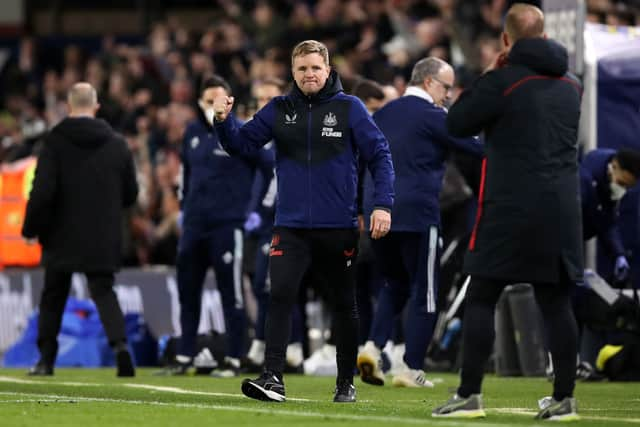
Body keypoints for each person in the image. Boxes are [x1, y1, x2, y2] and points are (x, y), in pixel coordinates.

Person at [213, 39, 395, 403]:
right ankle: (272, 377)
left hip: (338, 226)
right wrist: (222, 121)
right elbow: (242, 145)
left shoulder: (350, 108)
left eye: (315, 67)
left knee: (344, 304)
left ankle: (346, 382)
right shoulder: (279, 109)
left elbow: (380, 155)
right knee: (279, 295)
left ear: (327, 69)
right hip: (291, 226)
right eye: (301, 69)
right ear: (292, 74)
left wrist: (382, 205)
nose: (309, 74)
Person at [431, 4, 582, 421]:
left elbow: (457, 122)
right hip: (563, 208)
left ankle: (470, 395)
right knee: (555, 302)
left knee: (481, 295)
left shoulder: (502, 80)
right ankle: (565, 398)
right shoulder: (573, 82)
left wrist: (487, 77)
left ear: (505, 39)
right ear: (545, 33)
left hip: (510, 205)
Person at [358, 57, 484, 388]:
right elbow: (477, 147)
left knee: (394, 284)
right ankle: (411, 368)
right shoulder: (433, 116)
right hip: (418, 214)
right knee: (425, 291)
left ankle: (372, 348)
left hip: (379, 212)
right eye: (446, 86)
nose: (449, 94)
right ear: (428, 82)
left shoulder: (382, 114)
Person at [22, 82, 138, 377]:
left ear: (69, 107)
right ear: (96, 107)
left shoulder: (54, 141)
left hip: (61, 233)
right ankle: (120, 346)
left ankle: (46, 359)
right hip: (102, 233)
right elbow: (131, 194)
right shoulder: (117, 143)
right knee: (103, 290)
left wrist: (30, 228)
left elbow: (43, 191)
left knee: (54, 294)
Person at [160, 75, 274, 376]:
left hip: (229, 224)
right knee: (188, 291)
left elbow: (271, 171)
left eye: (218, 100)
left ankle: (235, 358)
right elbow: (185, 173)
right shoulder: (193, 133)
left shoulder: (244, 133)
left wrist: (258, 212)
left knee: (231, 293)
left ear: (230, 100)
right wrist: (184, 207)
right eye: (208, 100)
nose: (213, 106)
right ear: (200, 102)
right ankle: (185, 356)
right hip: (195, 225)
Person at [243, 77, 305, 374]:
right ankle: (267, 342)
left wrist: (264, 210)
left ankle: (290, 347)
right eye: (259, 100)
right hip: (261, 221)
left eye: (269, 98)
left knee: (278, 285)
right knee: (263, 284)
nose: (263, 105)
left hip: (284, 220)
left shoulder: (288, 133)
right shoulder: (260, 137)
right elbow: (259, 181)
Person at [581, 149, 640, 284]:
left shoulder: (609, 181)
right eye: (621, 183)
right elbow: (569, 224)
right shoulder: (585, 178)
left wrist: (619, 254)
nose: (622, 190)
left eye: (627, 187)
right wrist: (574, 266)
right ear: (613, 166)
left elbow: (607, 222)